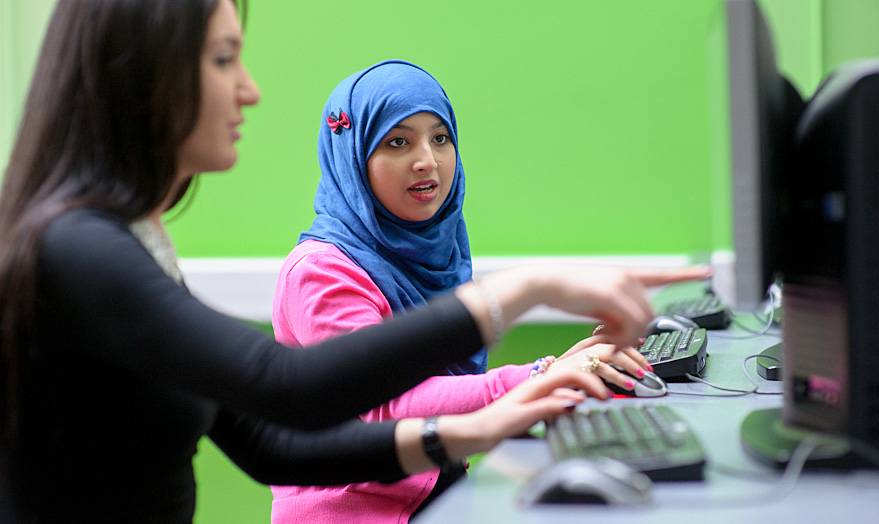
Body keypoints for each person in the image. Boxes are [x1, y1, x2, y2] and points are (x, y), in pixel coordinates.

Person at [0, 1, 710, 522]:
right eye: (223, 60)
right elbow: (288, 386)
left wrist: (473, 431)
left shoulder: (128, 238)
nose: (249, 88)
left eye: (438, 139)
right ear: (143, 78)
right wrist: (524, 294)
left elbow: (266, 441)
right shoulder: (77, 249)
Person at [269, 60, 697, 523]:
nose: (427, 161)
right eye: (397, 141)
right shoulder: (322, 272)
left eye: (440, 137)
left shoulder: (435, 251)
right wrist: (535, 379)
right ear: (353, 158)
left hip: (431, 494)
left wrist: (564, 367)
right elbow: (385, 405)